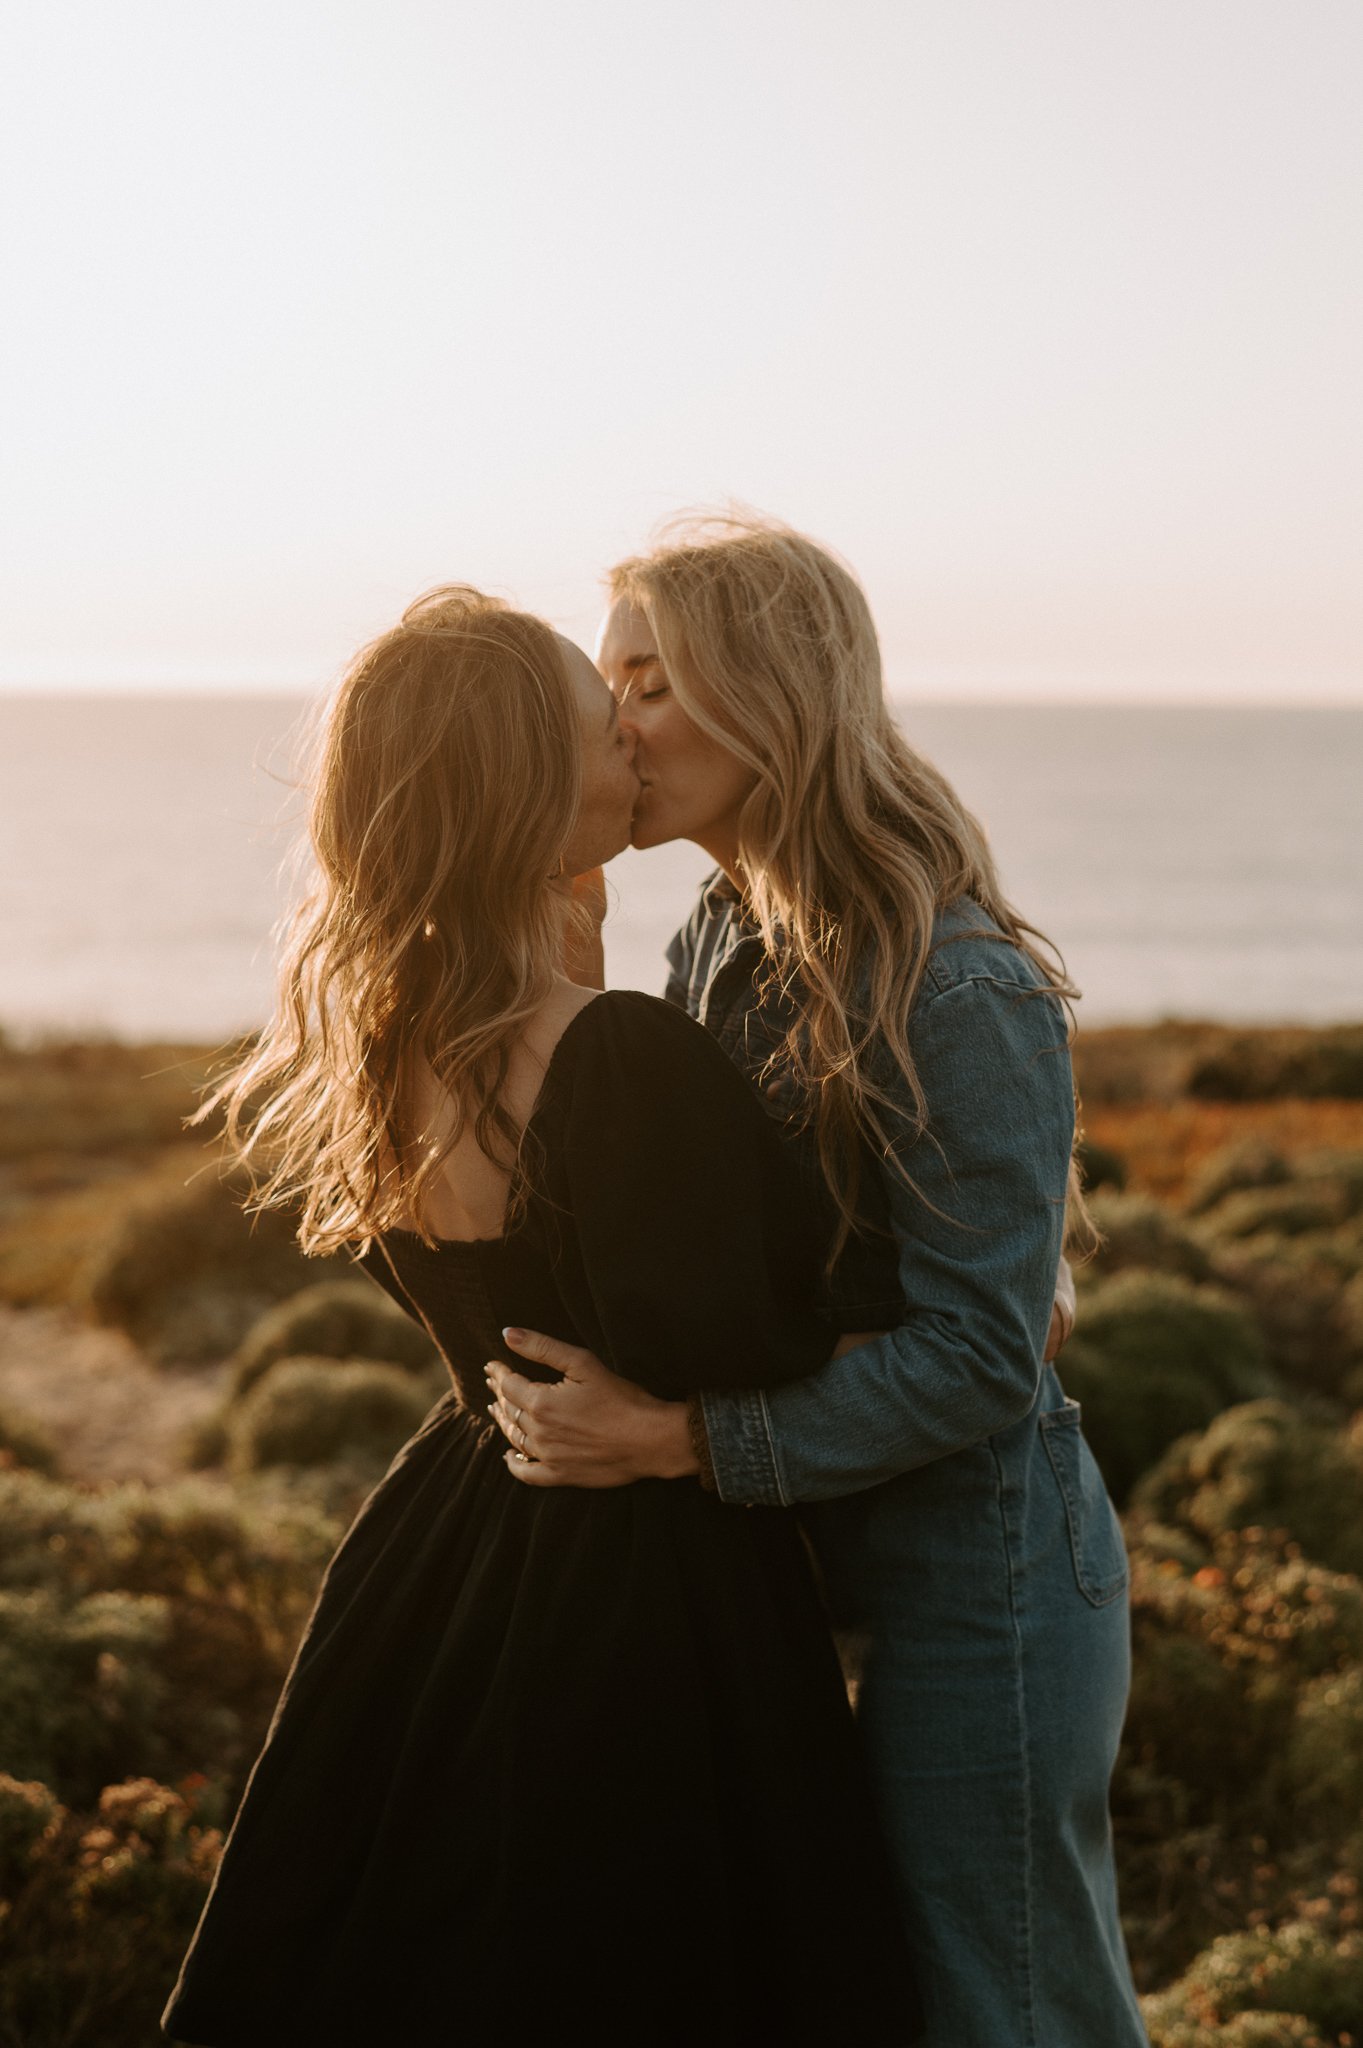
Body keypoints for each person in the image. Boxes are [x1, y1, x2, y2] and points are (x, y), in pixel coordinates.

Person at [161, 585, 923, 2047]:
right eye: (602, 722)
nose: (635, 749)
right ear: (521, 778)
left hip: (452, 1546)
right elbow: (750, 1339)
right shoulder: (619, 1053)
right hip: (642, 1588)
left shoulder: (385, 1047)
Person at [485, 516, 1149, 2048]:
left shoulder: (962, 984)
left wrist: (686, 1440)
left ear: (768, 691)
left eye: (648, 681)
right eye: (609, 683)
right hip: (789, 1570)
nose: (613, 720)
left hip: (976, 1582)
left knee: (1009, 2009)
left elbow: (984, 1363)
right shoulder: (722, 939)